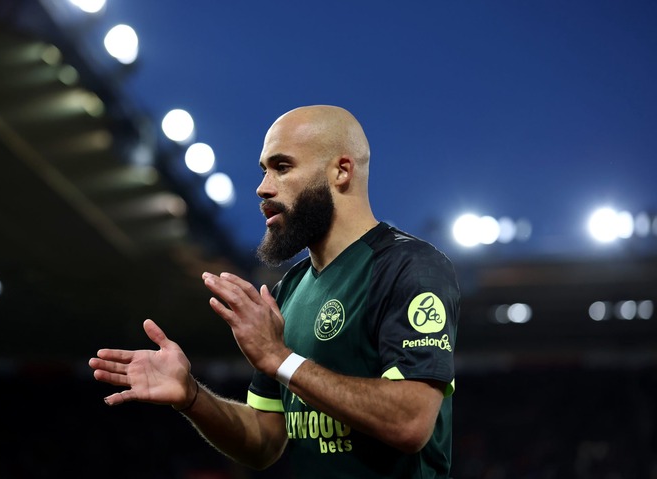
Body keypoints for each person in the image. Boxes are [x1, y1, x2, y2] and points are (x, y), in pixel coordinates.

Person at [89, 105, 460, 478]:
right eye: (264, 170)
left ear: (341, 171)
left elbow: (410, 423)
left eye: (282, 167)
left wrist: (281, 359)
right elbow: (264, 441)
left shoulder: (410, 266)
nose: (263, 187)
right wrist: (192, 397)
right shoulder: (288, 291)